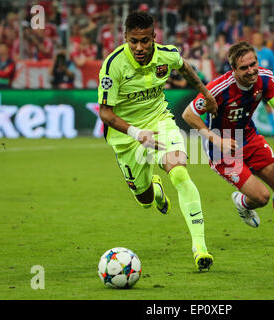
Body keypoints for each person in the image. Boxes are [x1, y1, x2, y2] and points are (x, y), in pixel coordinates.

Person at [97, 11, 218, 271]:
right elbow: (105, 113)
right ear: (125, 38)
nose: (139, 47)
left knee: (181, 175)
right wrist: (136, 134)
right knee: (144, 200)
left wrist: (206, 94)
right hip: (127, 136)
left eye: (144, 40)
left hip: (160, 121)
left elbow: (184, 66)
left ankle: (200, 247)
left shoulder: (166, 54)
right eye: (133, 41)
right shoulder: (113, 66)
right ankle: (154, 186)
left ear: (154, 36)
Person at [182, 41, 274, 246]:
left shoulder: (265, 78)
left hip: (249, 137)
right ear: (234, 70)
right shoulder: (218, 89)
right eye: (244, 68)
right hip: (221, 148)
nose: (251, 71)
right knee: (262, 197)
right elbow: (188, 114)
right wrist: (216, 140)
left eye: (253, 64)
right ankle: (242, 202)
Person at [252, 31, 274, 136]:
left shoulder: (269, 53)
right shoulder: (250, 53)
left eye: (258, 38)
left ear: (262, 39)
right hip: (252, 85)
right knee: (249, 108)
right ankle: (251, 131)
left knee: (269, 107)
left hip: (265, 85)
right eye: (255, 38)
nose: (257, 40)